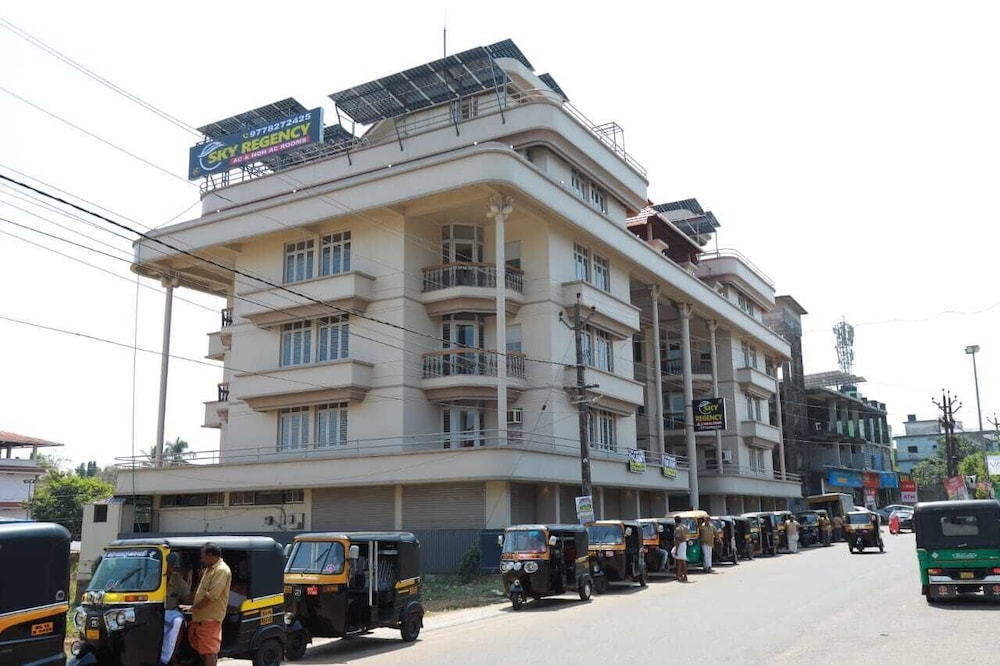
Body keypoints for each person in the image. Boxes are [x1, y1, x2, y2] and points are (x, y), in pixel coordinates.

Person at [182, 543, 232, 666]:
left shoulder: (221, 570)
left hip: (210, 618)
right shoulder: (210, 569)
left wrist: (193, 608)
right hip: (202, 618)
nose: (202, 560)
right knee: (204, 651)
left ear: (210, 555)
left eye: (203, 557)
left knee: (209, 652)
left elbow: (212, 596)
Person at [161, 553, 191, 666]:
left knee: (179, 621)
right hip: (154, 612)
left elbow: (187, 598)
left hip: (171, 613)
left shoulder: (177, 579)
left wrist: (200, 584)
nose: (169, 568)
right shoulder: (151, 577)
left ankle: (171, 657)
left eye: (171, 566)